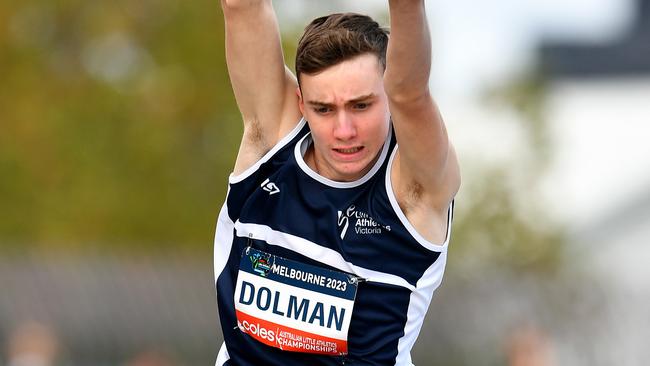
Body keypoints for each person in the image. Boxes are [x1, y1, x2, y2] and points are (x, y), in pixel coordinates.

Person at [213, 1, 460, 365]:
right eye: (324, 110)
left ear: (387, 98)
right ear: (301, 103)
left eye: (361, 106)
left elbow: (411, 93)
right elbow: (241, 6)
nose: (344, 131)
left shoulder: (413, 188)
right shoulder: (271, 142)